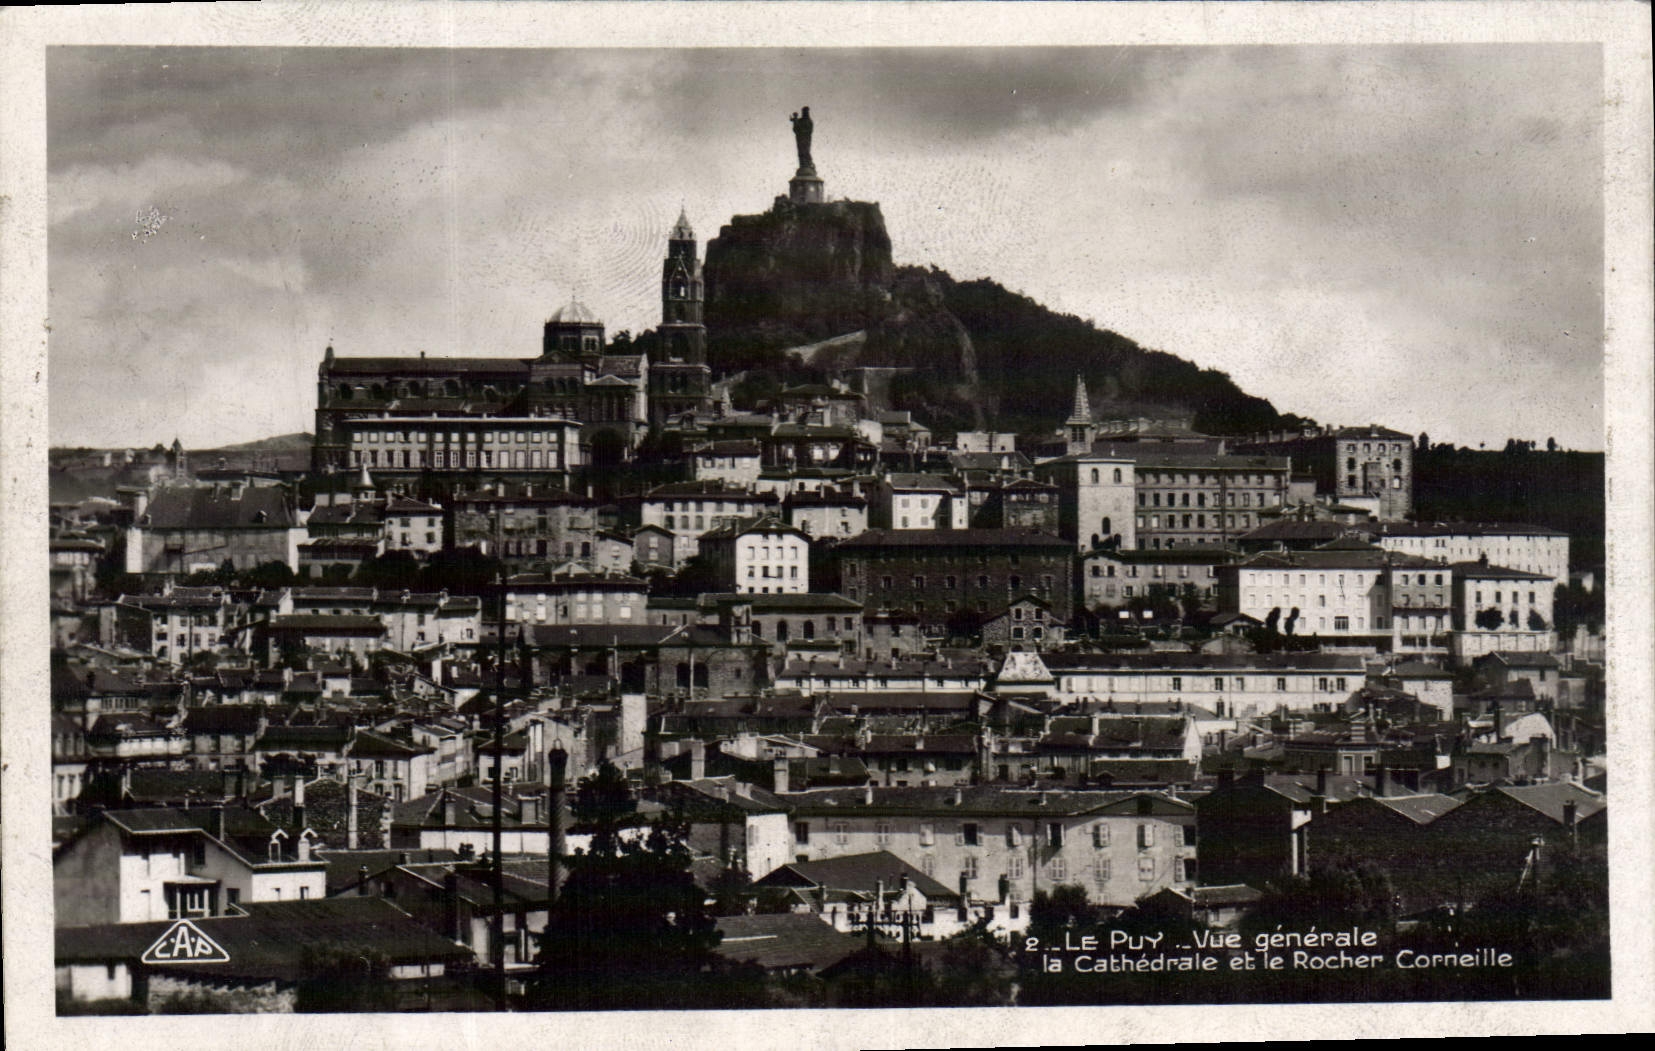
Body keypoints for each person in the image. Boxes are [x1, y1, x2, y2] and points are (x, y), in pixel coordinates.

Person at [789, 106, 814, 171]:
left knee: (806, 151)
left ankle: (808, 164)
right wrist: (795, 121)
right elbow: (795, 129)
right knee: (801, 152)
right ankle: (802, 165)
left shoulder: (809, 121)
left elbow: (810, 131)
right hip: (800, 138)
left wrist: (802, 131)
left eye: (806, 111)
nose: (805, 113)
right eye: (804, 111)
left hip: (806, 139)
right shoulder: (799, 121)